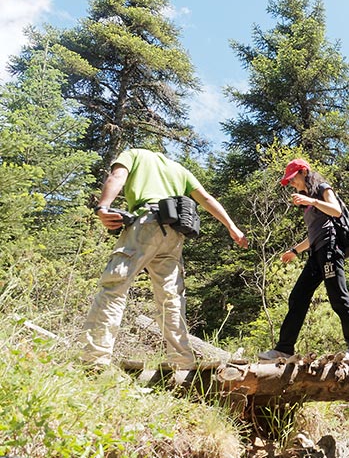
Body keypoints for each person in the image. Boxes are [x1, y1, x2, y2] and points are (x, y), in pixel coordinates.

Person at [80, 148, 248, 369]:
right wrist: (232, 227)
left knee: (114, 285)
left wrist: (103, 207)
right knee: (171, 299)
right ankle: (181, 362)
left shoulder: (133, 154)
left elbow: (117, 176)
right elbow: (206, 198)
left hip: (145, 222)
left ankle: (95, 359)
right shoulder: (179, 169)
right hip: (174, 234)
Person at [258, 159, 349, 361]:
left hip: (330, 249)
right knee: (298, 296)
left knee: (338, 296)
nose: (292, 184)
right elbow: (313, 235)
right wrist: (294, 250)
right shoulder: (308, 203)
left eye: (293, 179)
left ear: (304, 172)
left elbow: (336, 211)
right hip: (316, 251)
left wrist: (313, 201)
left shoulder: (323, 189)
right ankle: (284, 349)